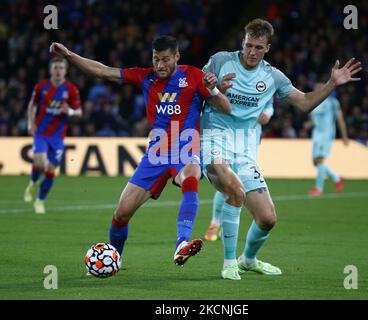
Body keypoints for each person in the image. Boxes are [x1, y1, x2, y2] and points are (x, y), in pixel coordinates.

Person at [201, 18, 362, 280]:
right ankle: (228, 262)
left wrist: (332, 84)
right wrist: (214, 88)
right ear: (243, 41)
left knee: (267, 219)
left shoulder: (273, 77)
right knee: (232, 187)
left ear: (268, 48)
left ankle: (248, 260)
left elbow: (305, 103)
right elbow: (195, 89)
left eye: (258, 47)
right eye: (248, 45)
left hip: (245, 148)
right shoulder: (220, 61)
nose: (251, 52)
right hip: (214, 137)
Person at [49, 35, 231, 266]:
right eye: (156, 59)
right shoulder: (146, 77)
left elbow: (226, 108)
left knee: (191, 175)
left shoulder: (194, 76)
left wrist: (213, 90)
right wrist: (68, 55)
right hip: (155, 155)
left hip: (185, 147)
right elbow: (104, 71)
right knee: (121, 214)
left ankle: (182, 243)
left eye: (165, 59)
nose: (160, 65)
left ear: (177, 56)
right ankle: (113, 259)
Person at [204, 102, 274, 241]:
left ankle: (226, 222)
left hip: (251, 136)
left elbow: (269, 105)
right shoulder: (232, 83)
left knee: (237, 180)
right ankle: (215, 222)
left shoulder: (266, 83)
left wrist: (268, 113)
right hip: (230, 134)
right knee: (227, 178)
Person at [24, 57, 82, 214]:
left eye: (61, 68)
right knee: (41, 163)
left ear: (66, 71)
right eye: (55, 67)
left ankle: (40, 200)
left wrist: (68, 111)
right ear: (50, 70)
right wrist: (30, 123)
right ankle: (32, 183)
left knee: (50, 170)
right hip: (41, 133)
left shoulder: (71, 89)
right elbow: (32, 104)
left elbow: (78, 112)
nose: (58, 71)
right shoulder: (41, 86)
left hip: (58, 136)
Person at [307, 84, 349, 196]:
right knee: (315, 162)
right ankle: (337, 178)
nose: (317, 90)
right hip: (316, 134)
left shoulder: (333, 102)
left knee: (320, 161)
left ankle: (318, 189)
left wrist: (344, 136)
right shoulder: (314, 103)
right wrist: (308, 124)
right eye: (316, 88)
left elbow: (340, 119)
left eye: (319, 88)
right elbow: (315, 119)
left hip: (326, 135)